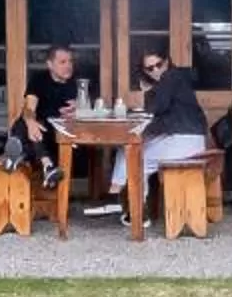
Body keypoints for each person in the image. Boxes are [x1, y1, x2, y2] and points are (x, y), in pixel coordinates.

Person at [86, 48, 212, 215]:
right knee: (128, 149)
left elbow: (155, 109)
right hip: (180, 138)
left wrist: (148, 92)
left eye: (158, 65)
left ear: (166, 61)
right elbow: (160, 116)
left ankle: (132, 208)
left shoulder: (171, 77)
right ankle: (120, 198)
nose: (155, 71)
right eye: (149, 68)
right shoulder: (173, 80)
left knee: (135, 157)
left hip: (185, 141)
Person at [8, 46, 87, 190]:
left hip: (59, 137)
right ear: (50, 64)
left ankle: (19, 152)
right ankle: (47, 165)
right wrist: (31, 121)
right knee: (26, 123)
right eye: (62, 62)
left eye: (70, 62)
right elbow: (29, 108)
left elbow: (93, 110)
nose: (68, 66)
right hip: (38, 133)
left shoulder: (78, 84)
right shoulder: (39, 79)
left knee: (27, 130)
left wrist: (81, 108)